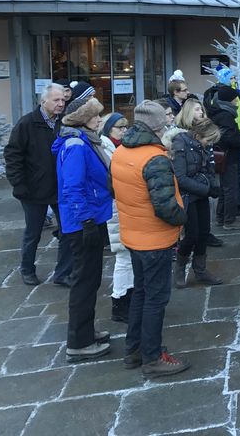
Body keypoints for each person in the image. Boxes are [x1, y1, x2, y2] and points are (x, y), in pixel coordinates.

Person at [112, 100, 189, 378]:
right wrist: (183, 218)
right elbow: (165, 206)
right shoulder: (154, 158)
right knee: (156, 299)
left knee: (141, 294)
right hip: (154, 239)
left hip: (134, 235)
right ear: (159, 126)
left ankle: (134, 349)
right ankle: (153, 357)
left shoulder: (122, 151)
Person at [53, 94, 113, 363]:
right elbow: (73, 187)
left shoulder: (84, 140)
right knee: (85, 282)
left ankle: (86, 332)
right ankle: (78, 342)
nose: (99, 119)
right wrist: (86, 220)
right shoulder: (77, 144)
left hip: (89, 219)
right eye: (94, 115)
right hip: (83, 224)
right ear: (82, 119)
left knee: (91, 280)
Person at [4, 83, 73, 286]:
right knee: (33, 233)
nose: (61, 104)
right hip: (33, 190)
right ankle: (27, 269)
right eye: (56, 100)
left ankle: (62, 273)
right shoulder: (27, 123)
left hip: (59, 188)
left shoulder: (64, 122)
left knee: (68, 230)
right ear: (43, 102)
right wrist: (19, 185)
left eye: (63, 100)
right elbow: (12, 154)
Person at [169, 117, 224, 288]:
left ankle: (200, 270)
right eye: (208, 140)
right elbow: (181, 178)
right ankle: (179, 266)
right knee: (191, 234)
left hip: (200, 193)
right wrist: (207, 190)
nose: (210, 144)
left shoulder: (203, 145)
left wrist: (213, 186)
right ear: (198, 135)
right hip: (187, 196)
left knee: (204, 233)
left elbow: (208, 168)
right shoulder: (181, 144)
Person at [100, 113, 133, 323]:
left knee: (127, 257)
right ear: (108, 129)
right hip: (115, 207)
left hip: (121, 206)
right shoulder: (106, 148)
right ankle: (119, 303)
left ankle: (126, 297)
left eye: (125, 127)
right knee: (122, 256)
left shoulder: (118, 146)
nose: (123, 131)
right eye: (119, 128)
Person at [208, 85, 240, 231]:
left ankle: (220, 217)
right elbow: (228, 137)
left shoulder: (219, 112)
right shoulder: (226, 115)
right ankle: (229, 220)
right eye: (235, 99)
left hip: (224, 156)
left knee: (225, 188)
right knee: (230, 189)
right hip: (229, 157)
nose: (237, 103)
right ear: (228, 100)